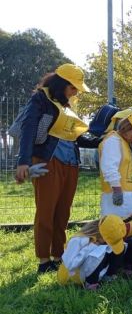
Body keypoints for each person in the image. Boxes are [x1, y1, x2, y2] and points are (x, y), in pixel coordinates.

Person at [15, 64, 91, 273]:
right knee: (46, 212)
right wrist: (24, 161)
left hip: (71, 164)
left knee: (63, 212)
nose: (76, 92)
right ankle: (43, 261)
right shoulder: (40, 99)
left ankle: (59, 256)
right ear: (61, 84)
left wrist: (102, 138)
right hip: (47, 163)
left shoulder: (66, 106)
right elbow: (28, 128)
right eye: (73, 87)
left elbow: (77, 136)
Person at [98, 112, 132, 217]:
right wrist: (117, 190)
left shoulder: (124, 142)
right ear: (128, 127)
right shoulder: (113, 141)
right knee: (115, 229)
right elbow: (109, 167)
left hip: (126, 197)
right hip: (116, 196)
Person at [57, 214, 128, 290]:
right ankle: (91, 283)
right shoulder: (77, 240)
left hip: (83, 271)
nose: (106, 243)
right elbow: (70, 266)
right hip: (71, 277)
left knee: (115, 248)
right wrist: (90, 247)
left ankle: (108, 275)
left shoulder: (97, 239)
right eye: (107, 241)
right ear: (101, 235)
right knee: (101, 250)